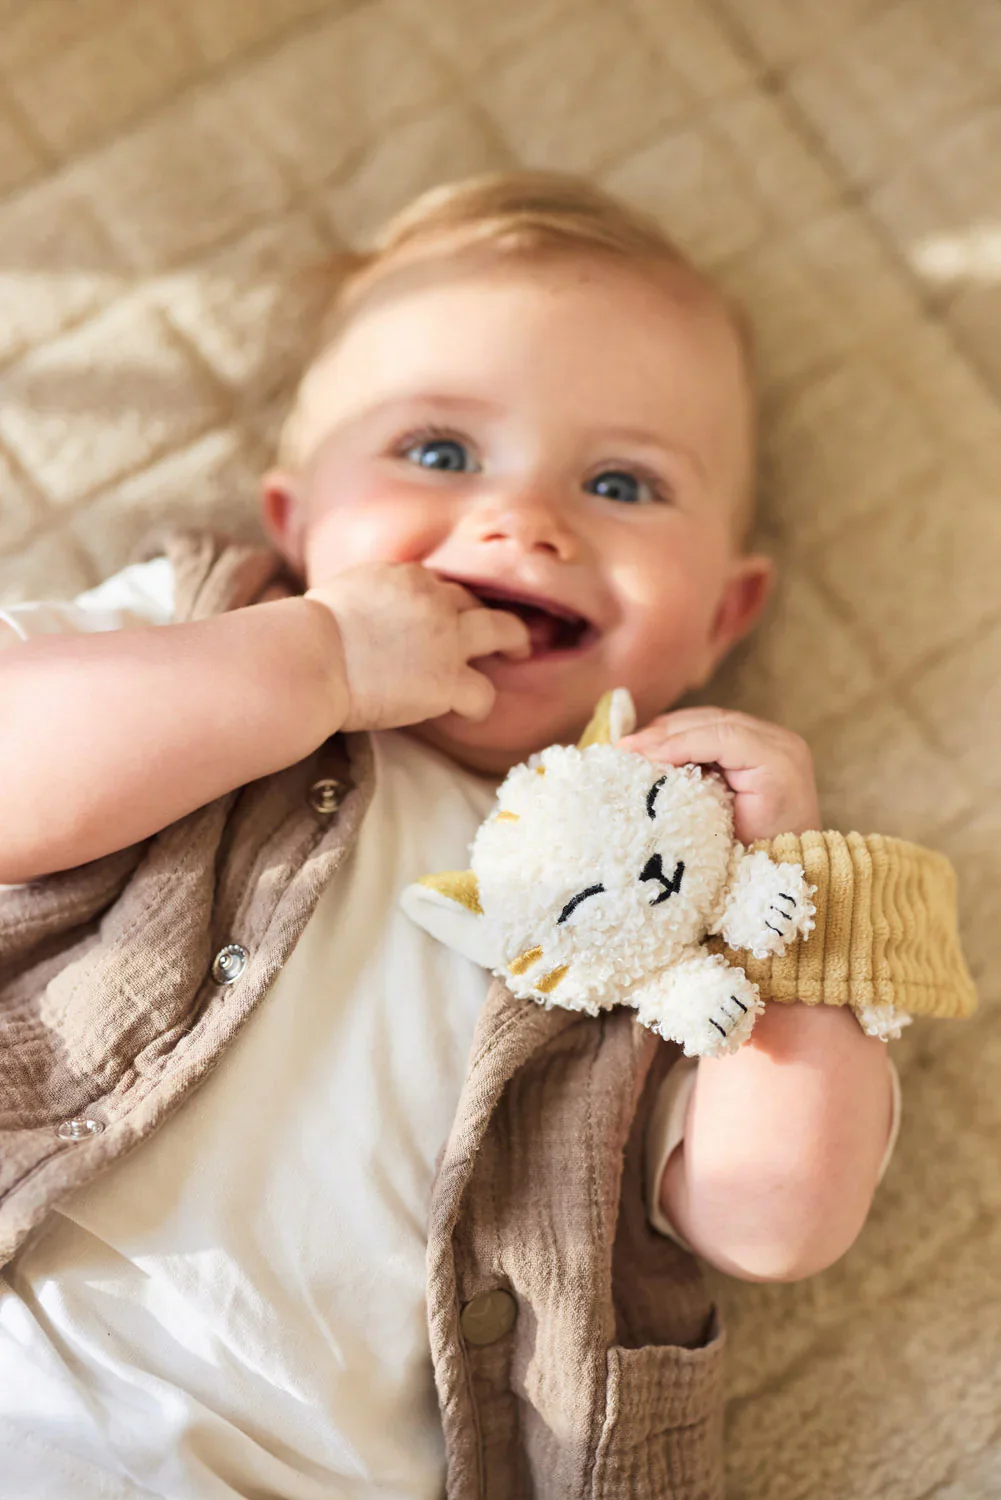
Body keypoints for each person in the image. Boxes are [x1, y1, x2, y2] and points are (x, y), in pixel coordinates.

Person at [1, 169, 950, 1500]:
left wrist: (793, 887)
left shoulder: (691, 893)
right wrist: (315, 661)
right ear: (295, 522)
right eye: (439, 454)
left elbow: (775, 1223)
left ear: (723, 617)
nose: (529, 522)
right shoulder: (204, 630)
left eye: (622, 482)